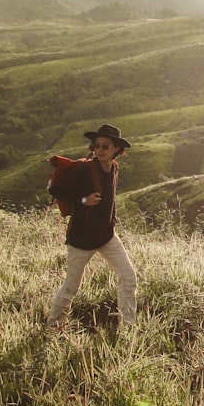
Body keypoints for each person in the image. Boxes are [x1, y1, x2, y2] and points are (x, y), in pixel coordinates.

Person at [46, 124, 138, 328]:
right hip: (81, 239)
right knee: (71, 287)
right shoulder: (83, 169)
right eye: (97, 145)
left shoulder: (113, 167)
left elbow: (110, 199)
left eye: (106, 146)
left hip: (106, 236)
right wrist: (83, 201)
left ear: (116, 150)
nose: (100, 149)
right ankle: (53, 328)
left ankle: (129, 327)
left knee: (129, 277)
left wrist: (111, 222)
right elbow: (56, 189)